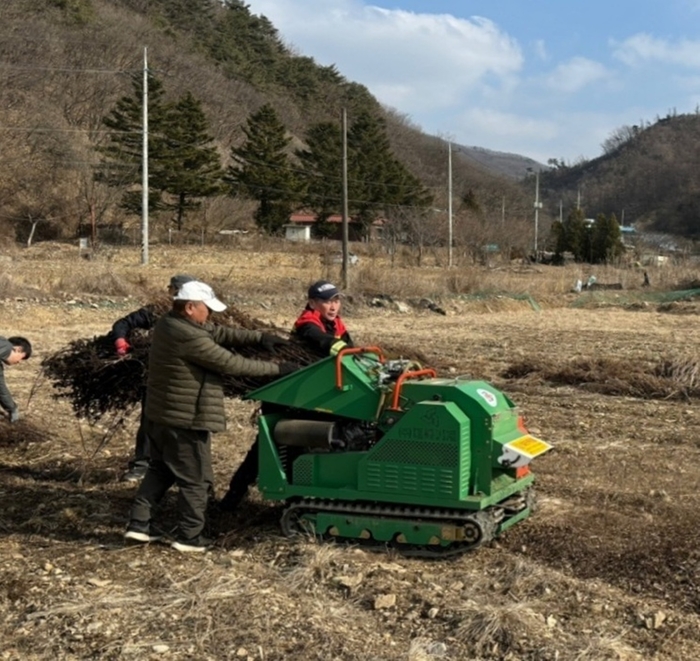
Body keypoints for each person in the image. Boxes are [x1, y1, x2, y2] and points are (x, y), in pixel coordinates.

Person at [124, 280, 296, 553]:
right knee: (195, 478)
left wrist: (259, 338)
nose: (211, 315)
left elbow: (218, 332)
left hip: (161, 416)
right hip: (185, 419)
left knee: (160, 468)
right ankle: (190, 536)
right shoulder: (188, 337)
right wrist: (277, 370)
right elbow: (229, 362)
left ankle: (139, 524)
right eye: (207, 309)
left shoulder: (171, 324)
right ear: (190, 307)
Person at [218, 279, 353, 512]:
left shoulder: (337, 325)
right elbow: (326, 344)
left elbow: (348, 349)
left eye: (336, 300)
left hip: (312, 394)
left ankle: (300, 496)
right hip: (289, 395)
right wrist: (347, 351)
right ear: (312, 303)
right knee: (268, 447)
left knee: (299, 446)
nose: (332, 306)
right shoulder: (307, 324)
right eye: (326, 301)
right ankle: (234, 498)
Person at [111, 274, 196, 482]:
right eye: (175, 291)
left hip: (185, 378)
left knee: (183, 424)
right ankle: (142, 464)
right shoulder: (156, 311)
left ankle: (180, 468)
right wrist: (121, 341)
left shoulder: (198, 313)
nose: (177, 296)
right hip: (155, 375)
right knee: (150, 420)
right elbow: (122, 324)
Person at [0, 336, 32, 423]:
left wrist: (12, 408)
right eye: (22, 357)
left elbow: (1, 389)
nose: (19, 362)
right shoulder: (5, 347)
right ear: (18, 349)